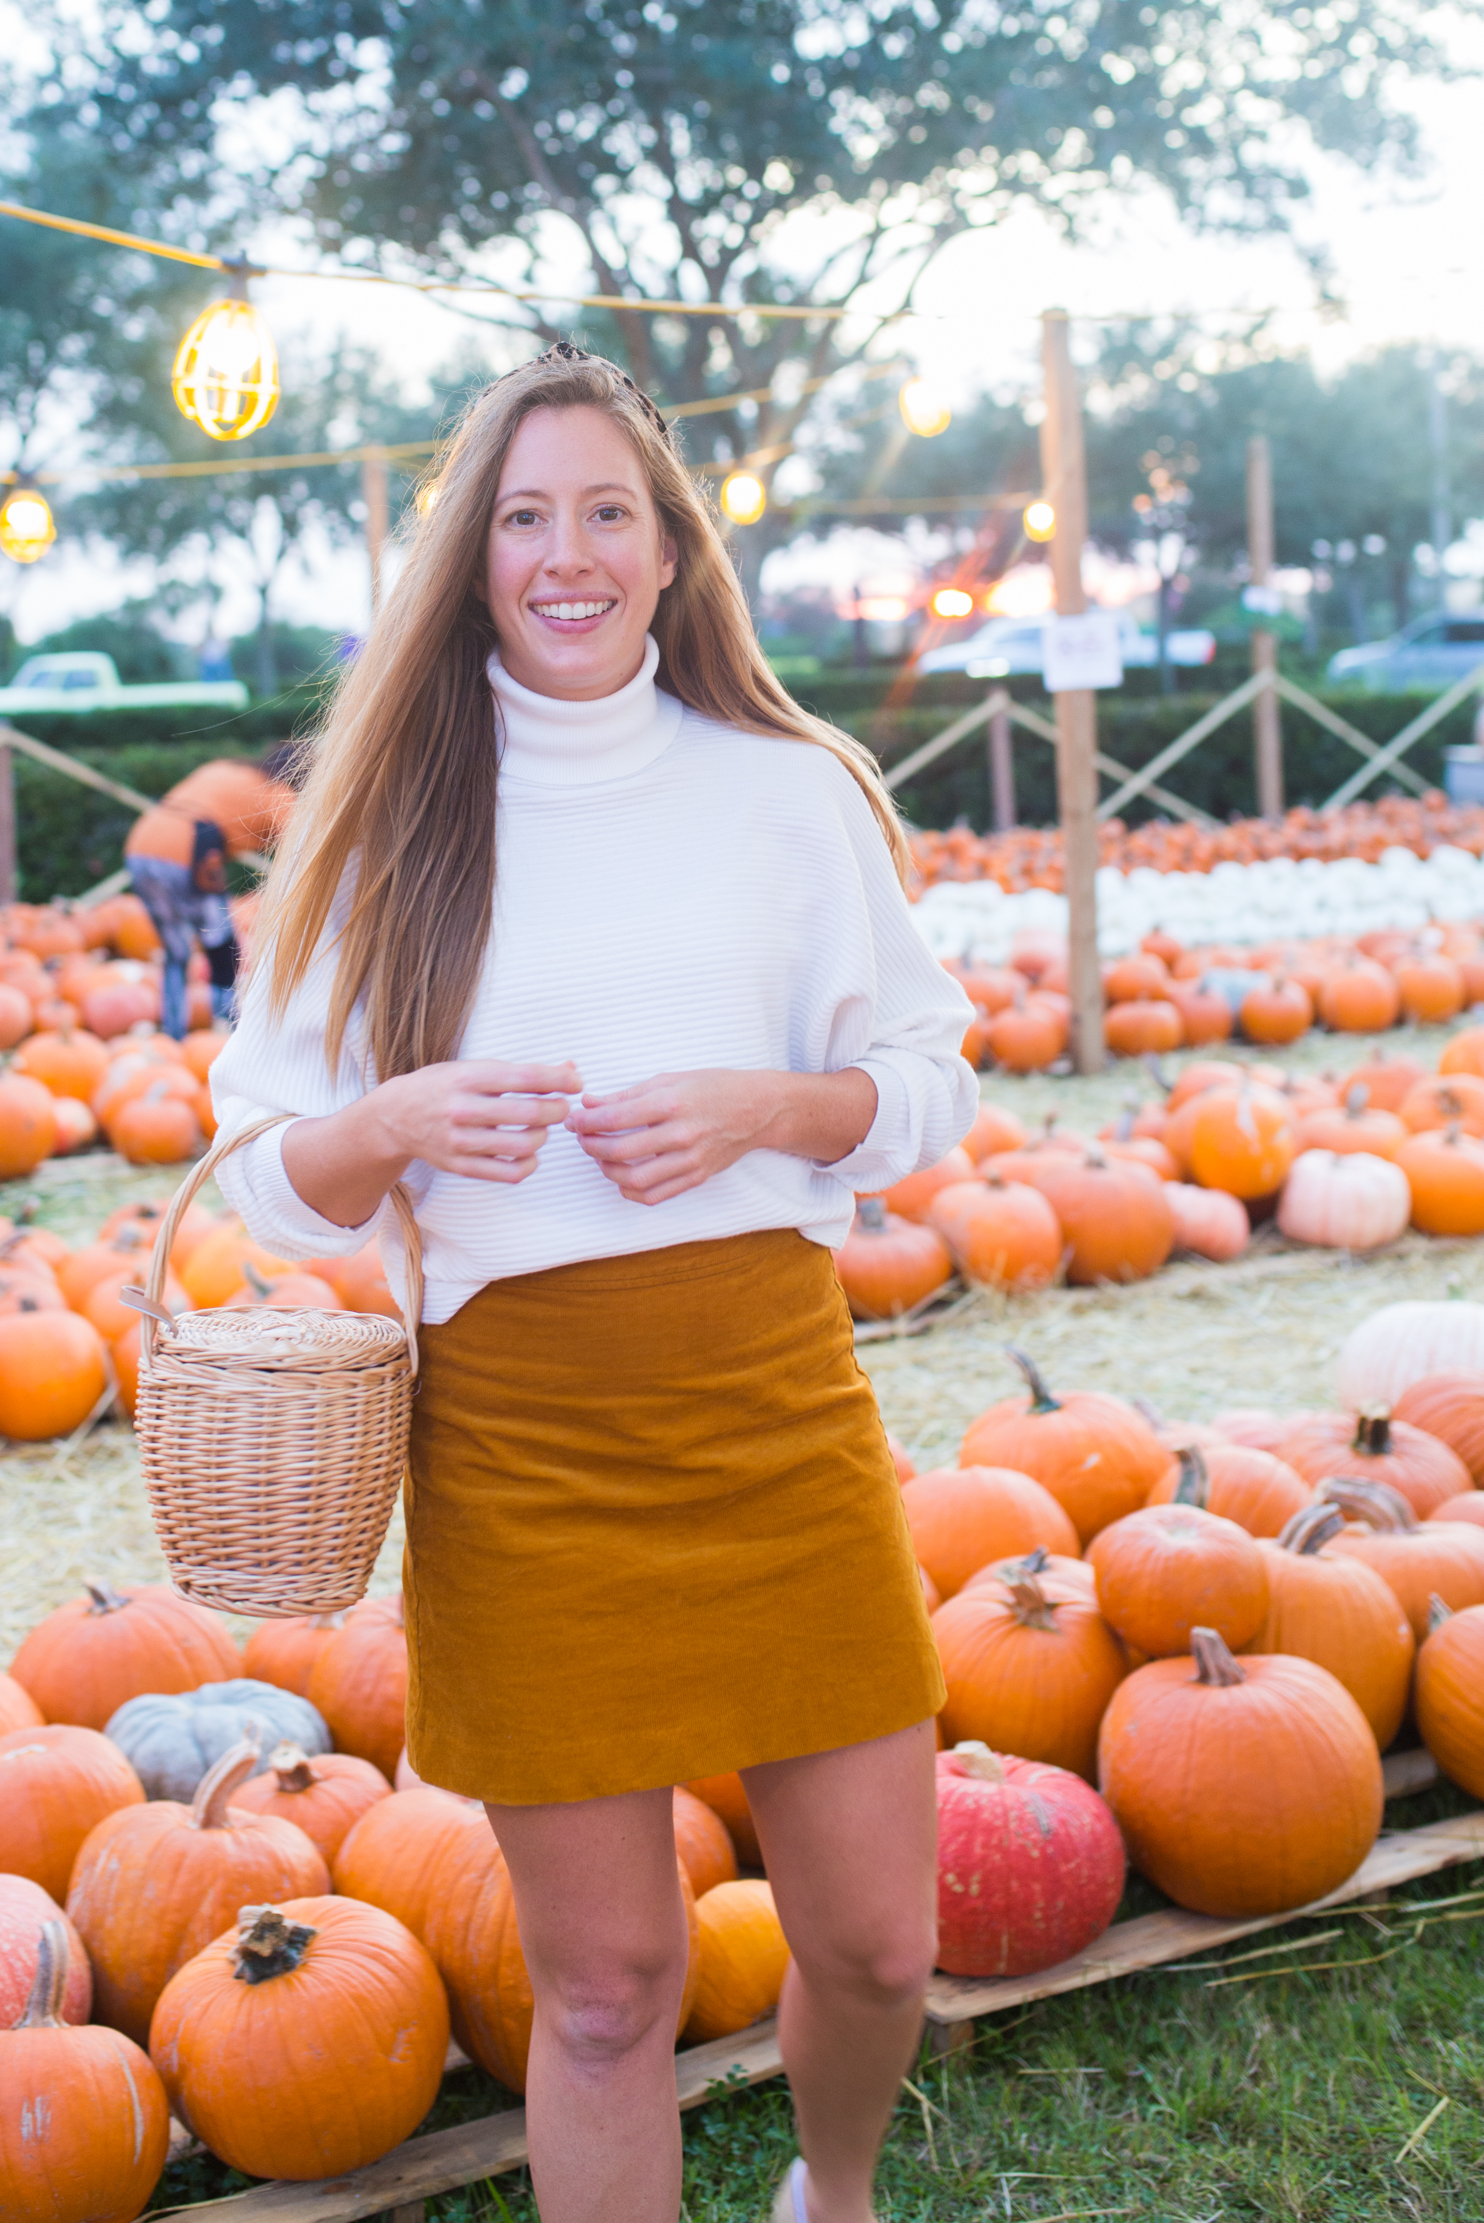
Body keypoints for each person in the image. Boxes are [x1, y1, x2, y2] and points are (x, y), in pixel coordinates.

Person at [208, 343, 975, 2223]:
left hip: (775, 1407)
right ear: (474, 557)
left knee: (880, 1940)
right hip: (528, 1449)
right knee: (614, 1986)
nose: (567, 553)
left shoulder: (789, 794)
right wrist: (392, 1125)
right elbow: (258, 1189)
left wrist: (770, 1107)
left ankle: (838, 2196)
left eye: (606, 513)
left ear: (668, 551)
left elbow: (934, 1079)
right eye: (525, 516)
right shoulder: (392, 825)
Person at [124, 758, 291, 1035]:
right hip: (191, 848)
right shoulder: (278, 792)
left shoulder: (224, 768)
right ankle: (227, 1027)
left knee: (176, 948)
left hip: (141, 845)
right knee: (220, 943)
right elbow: (304, 845)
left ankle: (174, 1031)